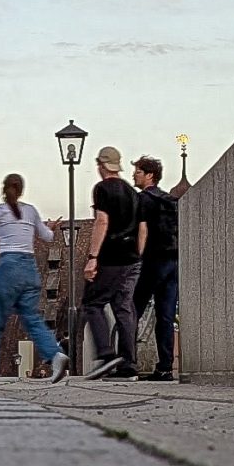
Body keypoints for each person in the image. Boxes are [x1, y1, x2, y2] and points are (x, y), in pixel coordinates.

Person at [0, 173, 67, 382]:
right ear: (21, 190)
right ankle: (55, 354)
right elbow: (47, 237)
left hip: (8, 268)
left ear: (4, 189)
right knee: (31, 318)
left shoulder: (1, 210)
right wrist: (50, 228)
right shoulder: (30, 211)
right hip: (30, 269)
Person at [80, 145, 144, 376]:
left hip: (111, 256)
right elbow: (142, 228)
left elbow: (102, 222)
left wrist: (93, 257)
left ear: (101, 165)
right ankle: (129, 363)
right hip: (132, 258)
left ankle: (106, 354)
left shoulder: (102, 189)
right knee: (124, 308)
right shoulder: (133, 193)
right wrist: (137, 253)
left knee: (92, 302)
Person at [132, 156, 181, 380]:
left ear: (150, 175)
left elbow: (143, 231)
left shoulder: (143, 199)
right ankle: (165, 368)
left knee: (132, 311)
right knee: (166, 317)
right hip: (173, 262)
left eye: (138, 172)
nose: (134, 175)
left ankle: (126, 362)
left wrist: (137, 258)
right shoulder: (171, 200)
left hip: (153, 261)